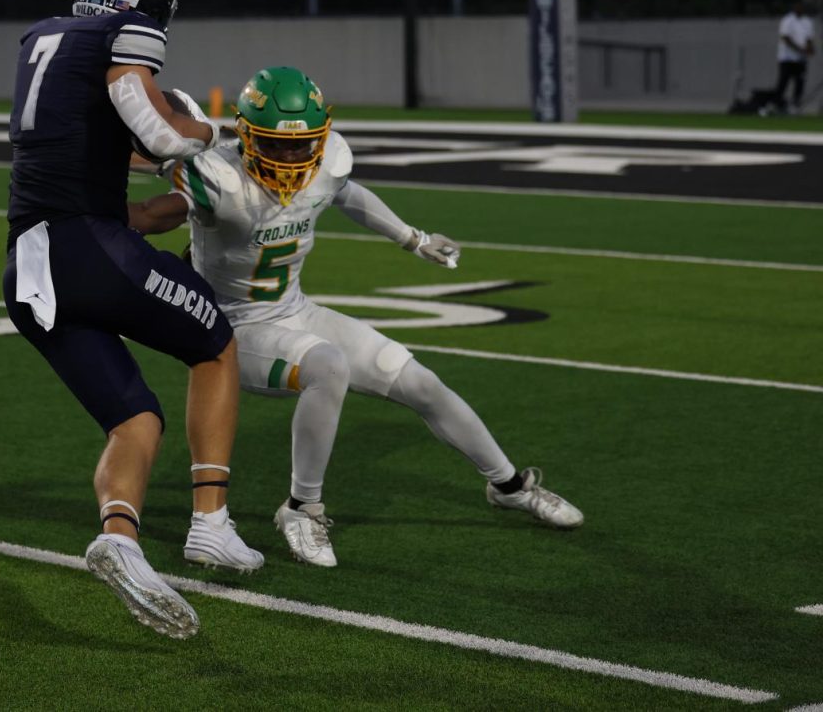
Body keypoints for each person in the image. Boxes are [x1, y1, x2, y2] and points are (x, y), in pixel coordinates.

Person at [128, 66, 583, 569]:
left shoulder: (325, 163)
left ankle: (510, 486)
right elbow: (152, 214)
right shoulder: (218, 176)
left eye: (303, 146)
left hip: (295, 311)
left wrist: (412, 237)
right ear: (246, 136)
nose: (293, 158)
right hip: (233, 327)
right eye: (277, 146)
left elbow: (347, 193)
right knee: (328, 367)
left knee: (422, 383)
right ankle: (303, 509)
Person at [2, 0, 263, 640]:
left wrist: (182, 190)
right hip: (83, 245)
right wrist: (206, 132)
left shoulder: (43, 40)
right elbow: (155, 128)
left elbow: (117, 147)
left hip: (27, 268)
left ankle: (119, 537)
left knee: (134, 419)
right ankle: (210, 522)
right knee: (213, 340)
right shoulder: (124, 30)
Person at [772, 1, 816, 114]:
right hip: (787, 58)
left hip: (801, 60)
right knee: (783, 81)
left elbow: (809, 38)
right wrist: (800, 49)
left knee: (800, 82)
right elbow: (785, 38)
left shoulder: (807, 21)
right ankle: (777, 104)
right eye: (797, 6)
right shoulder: (787, 20)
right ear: (794, 7)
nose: (800, 8)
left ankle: (795, 105)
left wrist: (810, 48)